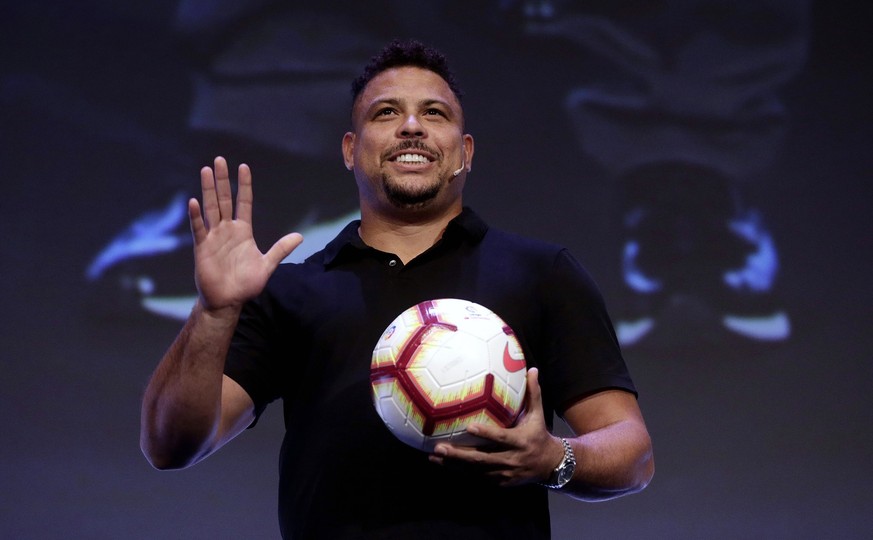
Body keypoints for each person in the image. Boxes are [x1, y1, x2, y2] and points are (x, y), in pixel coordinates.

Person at [140, 39, 654, 539]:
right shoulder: (291, 289)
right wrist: (213, 312)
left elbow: (632, 452)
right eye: (386, 113)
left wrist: (552, 459)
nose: (412, 127)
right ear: (349, 149)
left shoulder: (542, 273)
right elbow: (171, 445)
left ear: (465, 151)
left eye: (434, 113)